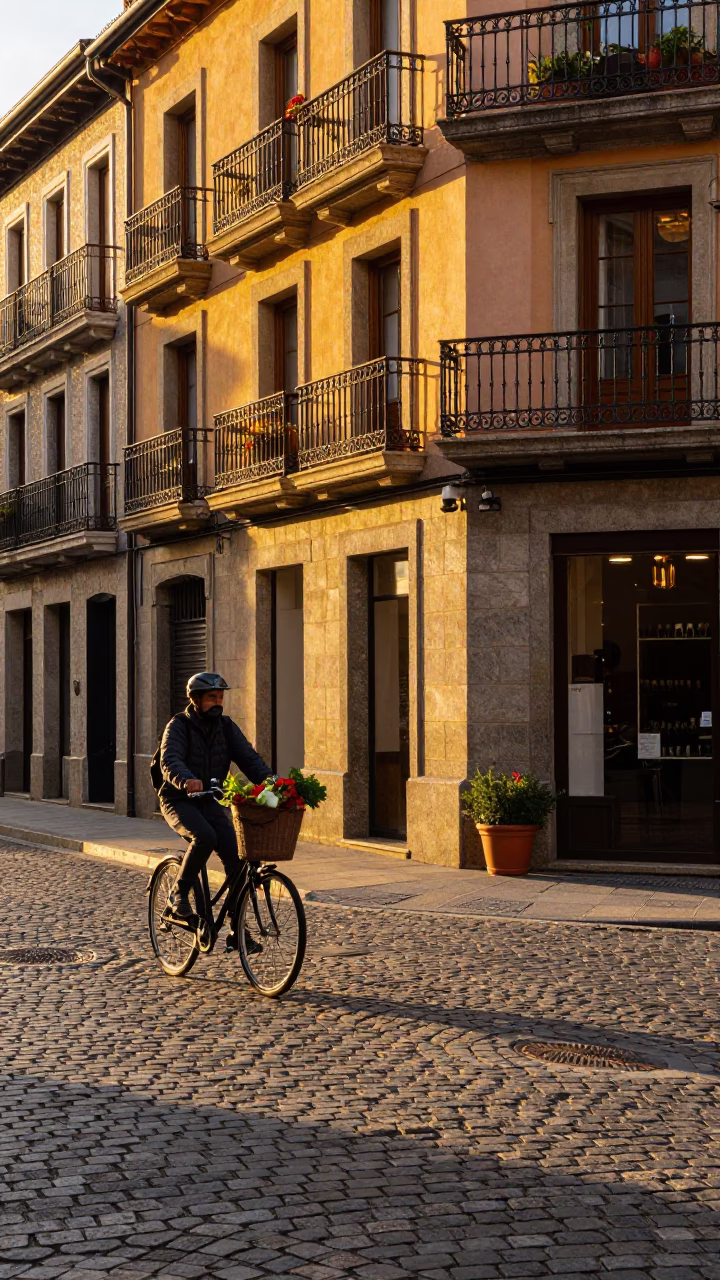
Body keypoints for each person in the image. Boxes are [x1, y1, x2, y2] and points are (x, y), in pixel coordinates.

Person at [158, 672, 271, 923]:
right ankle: (179, 894)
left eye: (220, 697)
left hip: (209, 801)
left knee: (238, 859)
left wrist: (274, 784)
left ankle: (236, 929)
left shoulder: (227, 727)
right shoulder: (178, 726)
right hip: (178, 800)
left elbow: (250, 760)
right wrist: (186, 779)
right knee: (205, 836)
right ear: (195, 699)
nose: (218, 702)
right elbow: (170, 760)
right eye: (212, 697)